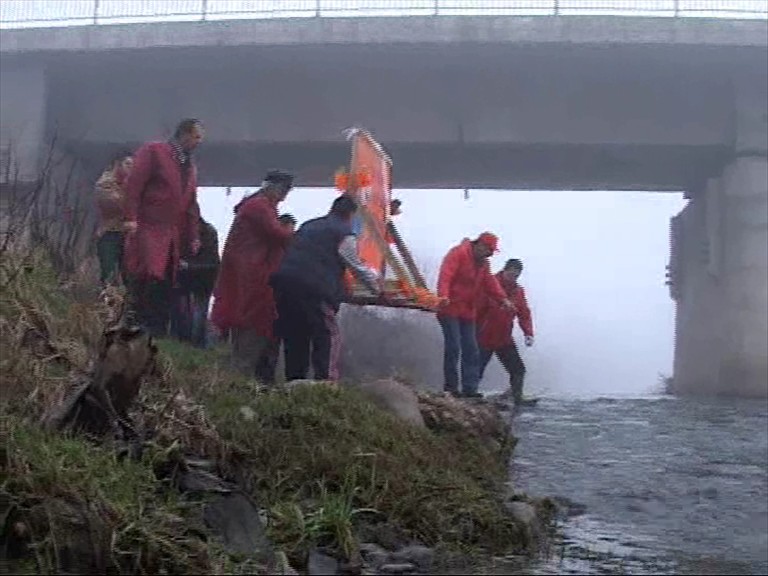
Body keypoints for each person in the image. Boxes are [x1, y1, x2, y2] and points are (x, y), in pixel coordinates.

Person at [270, 195, 382, 382]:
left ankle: (294, 383)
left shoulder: (308, 225)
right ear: (351, 215)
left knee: (296, 335)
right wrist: (377, 288)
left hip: (285, 285)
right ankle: (326, 385)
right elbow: (354, 264)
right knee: (327, 335)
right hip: (314, 289)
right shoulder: (343, 232)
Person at [123, 118, 205, 336]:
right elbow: (135, 184)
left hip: (171, 232)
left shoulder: (190, 166)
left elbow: (190, 204)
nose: (199, 142)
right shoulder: (154, 152)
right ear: (185, 134)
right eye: (196, 137)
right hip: (149, 225)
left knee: (166, 279)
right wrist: (131, 218)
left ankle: (156, 329)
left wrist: (193, 235)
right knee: (147, 274)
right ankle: (137, 323)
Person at [211, 171, 294, 377]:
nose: (284, 196)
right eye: (283, 190)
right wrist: (293, 234)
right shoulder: (259, 207)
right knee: (251, 327)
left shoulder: (256, 206)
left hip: (249, 273)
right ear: (272, 187)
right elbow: (277, 234)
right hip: (252, 275)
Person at [436, 232, 512, 398]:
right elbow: (446, 275)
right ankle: (451, 388)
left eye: (492, 252)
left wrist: (503, 300)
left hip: (468, 311)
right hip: (449, 308)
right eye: (489, 250)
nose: (490, 254)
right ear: (480, 244)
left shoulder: (483, 264)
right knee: (454, 347)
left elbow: (490, 283)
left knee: (471, 349)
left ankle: (470, 389)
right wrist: (443, 296)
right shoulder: (458, 253)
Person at [477, 258, 535, 405]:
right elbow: (476, 307)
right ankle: (469, 396)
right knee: (476, 370)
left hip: (504, 338)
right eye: (511, 273)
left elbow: (524, 313)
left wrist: (528, 333)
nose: (513, 277)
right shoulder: (490, 284)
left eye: (517, 275)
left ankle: (517, 398)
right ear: (505, 270)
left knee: (518, 370)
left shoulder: (518, 291)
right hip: (483, 336)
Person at [254, 213, 298, 384]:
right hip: (270, 299)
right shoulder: (277, 249)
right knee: (267, 341)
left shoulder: (284, 249)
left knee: (273, 342)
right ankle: (264, 377)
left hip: (280, 300)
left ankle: (267, 376)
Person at [170, 215, 220, 348]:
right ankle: (189, 340)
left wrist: (188, 265)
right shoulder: (204, 231)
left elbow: (211, 261)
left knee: (198, 311)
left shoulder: (206, 233)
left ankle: (194, 342)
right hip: (192, 276)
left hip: (202, 277)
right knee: (189, 309)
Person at [94, 151, 134, 285]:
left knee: (130, 274)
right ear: (118, 164)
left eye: (134, 165)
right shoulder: (106, 183)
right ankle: (107, 301)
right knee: (109, 272)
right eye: (128, 164)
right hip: (110, 233)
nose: (131, 168)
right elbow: (114, 204)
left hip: (128, 235)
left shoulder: (132, 184)